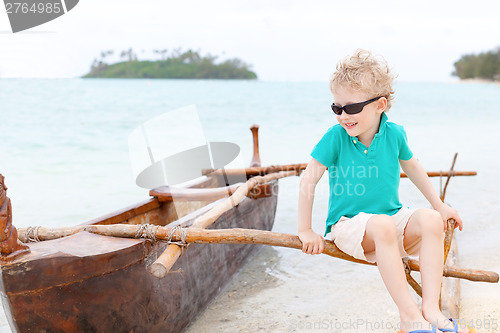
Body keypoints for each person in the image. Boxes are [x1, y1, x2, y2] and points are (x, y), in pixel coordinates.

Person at [297, 49, 468, 333]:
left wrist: (439, 205)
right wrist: (305, 229)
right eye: (336, 108)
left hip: (390, 221)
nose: (343, 116)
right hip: (349, 227)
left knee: (430, 220)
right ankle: (409, 316)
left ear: (380, 105)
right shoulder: (335, 137)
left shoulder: (395, 134)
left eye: (351, 108)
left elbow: (414, 168)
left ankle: (431, 309)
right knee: (383, 225)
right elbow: (307, 181)